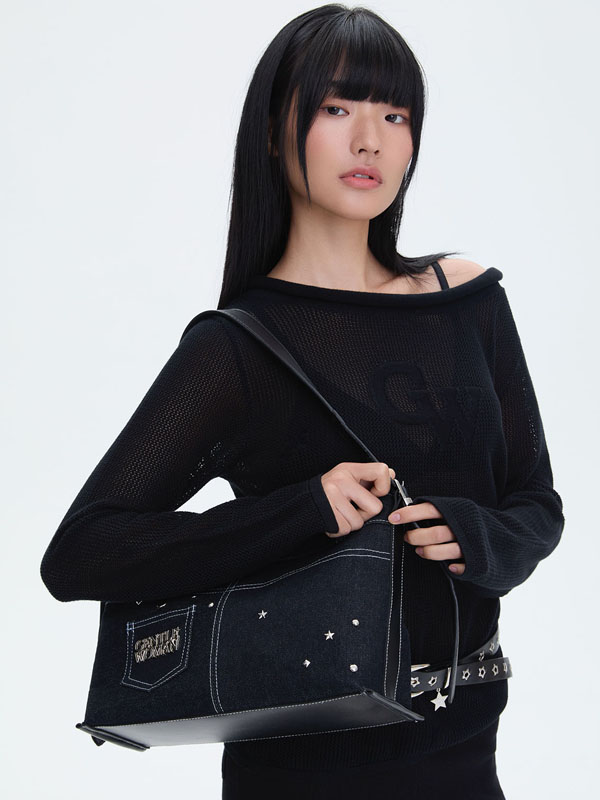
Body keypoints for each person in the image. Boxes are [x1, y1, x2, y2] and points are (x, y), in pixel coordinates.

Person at [40, 4, 565, 798]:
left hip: (466, 753)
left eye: (395, 114)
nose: (371, 140)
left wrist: (478, 536)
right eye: (336, 108)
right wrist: (301, 510)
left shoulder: (467, 299)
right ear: (274, 131)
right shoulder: (237, 347)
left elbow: (536, 504)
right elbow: (82, 553)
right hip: (304, 768)